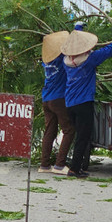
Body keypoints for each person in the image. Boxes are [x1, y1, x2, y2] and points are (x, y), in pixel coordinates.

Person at [61, 26, 112, 178]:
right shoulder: (89, 60)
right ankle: (74, 169)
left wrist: (77, 29)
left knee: (80, 136)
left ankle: (78, 166)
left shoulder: (65, 60)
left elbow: (74, 44)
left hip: (69, 104)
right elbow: (109, 50)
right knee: (83, 137)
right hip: (83, 103)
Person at [38, 31, 75, 175]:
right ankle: (59, 165)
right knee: (69, 129)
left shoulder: (45, 61)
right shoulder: (62, 59)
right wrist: (77, 30)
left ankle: (44, 165)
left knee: (49, 132)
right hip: (59, 99)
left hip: (46, 99)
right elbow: (72, 46)